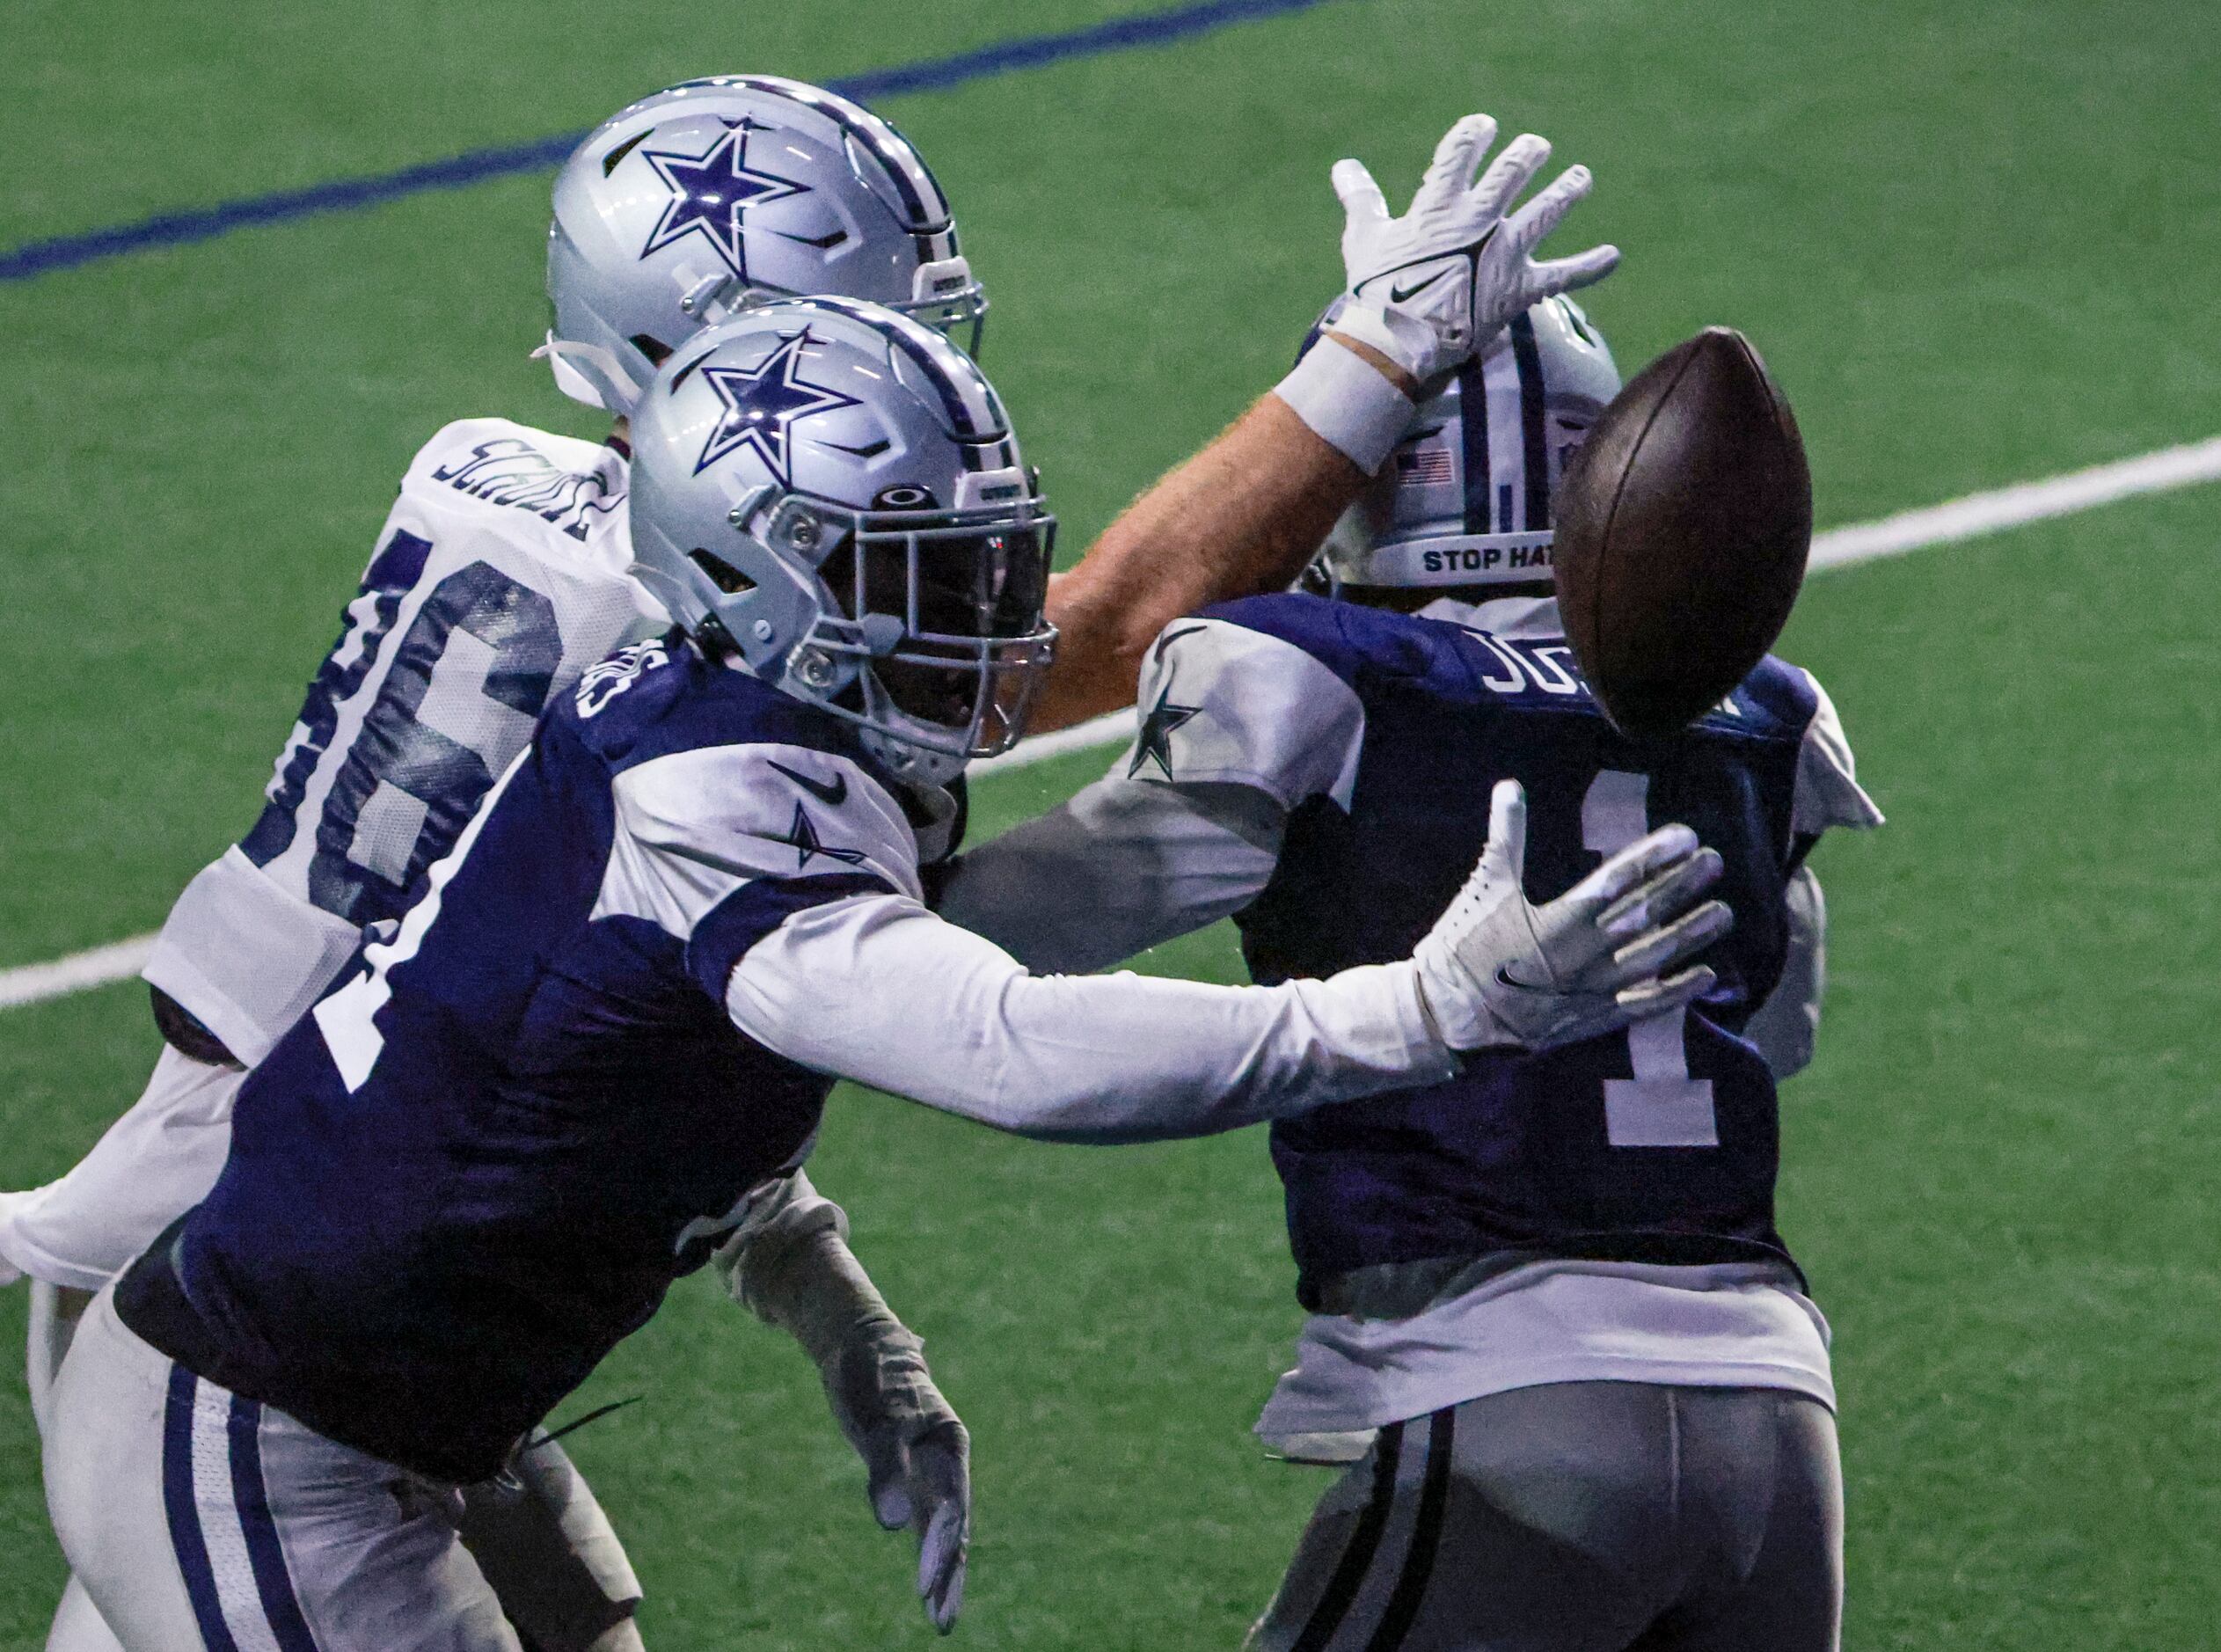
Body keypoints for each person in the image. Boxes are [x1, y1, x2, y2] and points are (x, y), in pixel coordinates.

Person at [37, 121, 1723, 1645]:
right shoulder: (716, 790)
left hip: (361, 1377)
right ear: (746, 570)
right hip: (267, 1421)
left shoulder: (741, 702)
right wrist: (1414, 1012)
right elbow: (1005, 1036)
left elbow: (629, 1053)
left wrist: (844, 1316)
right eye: (934, 572)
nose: (995, 613)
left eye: (994, 553)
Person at [3, 73, 1015, 1652]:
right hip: (261, 1289)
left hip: (271, 1230)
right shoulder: (697, 647)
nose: (910, 376)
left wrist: (821, 1282)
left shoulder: (500, 486)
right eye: (852, 329)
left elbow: (565, 1017)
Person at [934, 295, 1884, 1650]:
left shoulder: (1318, 672)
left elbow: (1007, 934)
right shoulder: (1761, 709)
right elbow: (1773, 1031)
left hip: (1506, 1398)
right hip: (1780, 1424)